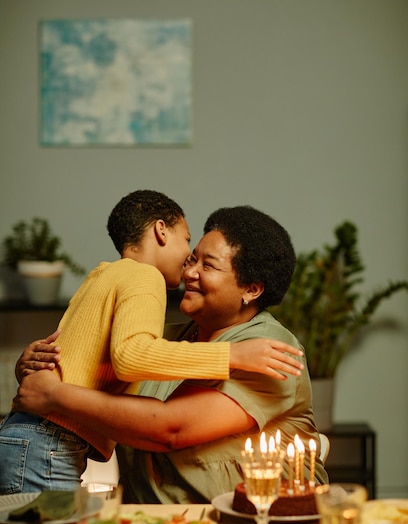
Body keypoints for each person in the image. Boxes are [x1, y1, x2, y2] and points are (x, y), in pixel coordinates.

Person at [13, 205, 327, 503]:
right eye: (192, 259)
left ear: (251, 289)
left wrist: (55, 395)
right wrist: (33, 363)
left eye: (209, 265)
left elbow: (170, 430)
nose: (190, 272)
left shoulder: (270, 351)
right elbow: (81, 363)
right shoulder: (158, 342)